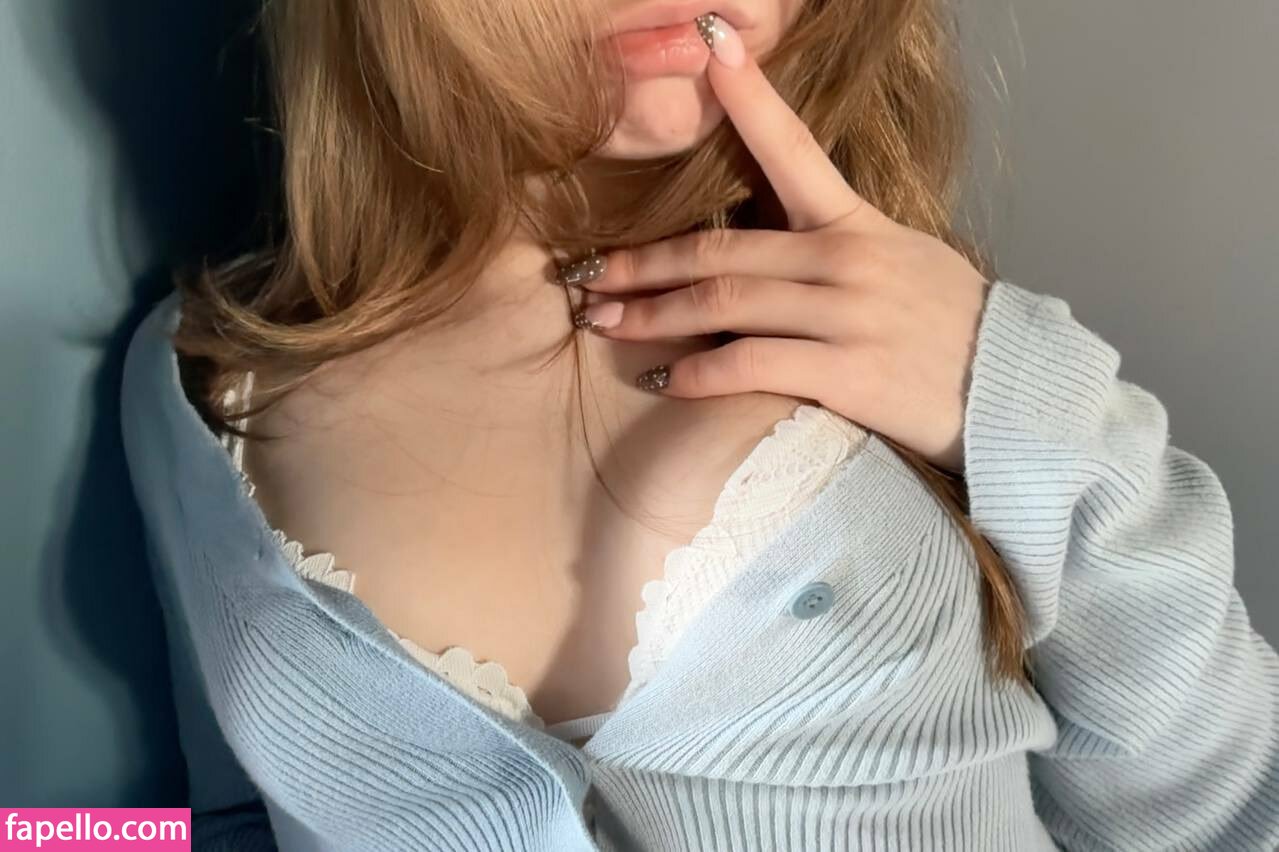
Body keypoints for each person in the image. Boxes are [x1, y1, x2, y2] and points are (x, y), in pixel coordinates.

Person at [119, 0, 1279, 849]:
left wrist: (1019, 394)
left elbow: (1235, 816)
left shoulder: (954, 365)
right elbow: (214, 824)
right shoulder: (207, 388)